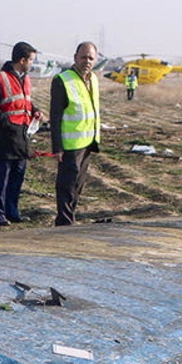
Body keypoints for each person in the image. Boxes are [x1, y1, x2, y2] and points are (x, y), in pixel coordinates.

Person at [0, 41, 44, 226]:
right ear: (22, 60)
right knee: (2, 178)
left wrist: (35, 110)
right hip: (5, 136)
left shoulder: (25, 78)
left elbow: (24, 101)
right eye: (31, 60)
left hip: (23, 135)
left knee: (17, 177)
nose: (32, 63)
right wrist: (7, 124)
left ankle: (12, 211)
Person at [50, 42, 101, 226]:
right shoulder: (62, 80)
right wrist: (57, 147)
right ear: (75, 57)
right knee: (66, 186)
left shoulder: (93, 79)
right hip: (70, 145)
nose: (87, 61)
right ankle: (64, 222)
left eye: (91, 58)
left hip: (87, 141)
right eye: (83, 57)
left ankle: (70, 217)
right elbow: (55, 117)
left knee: (78, 186)